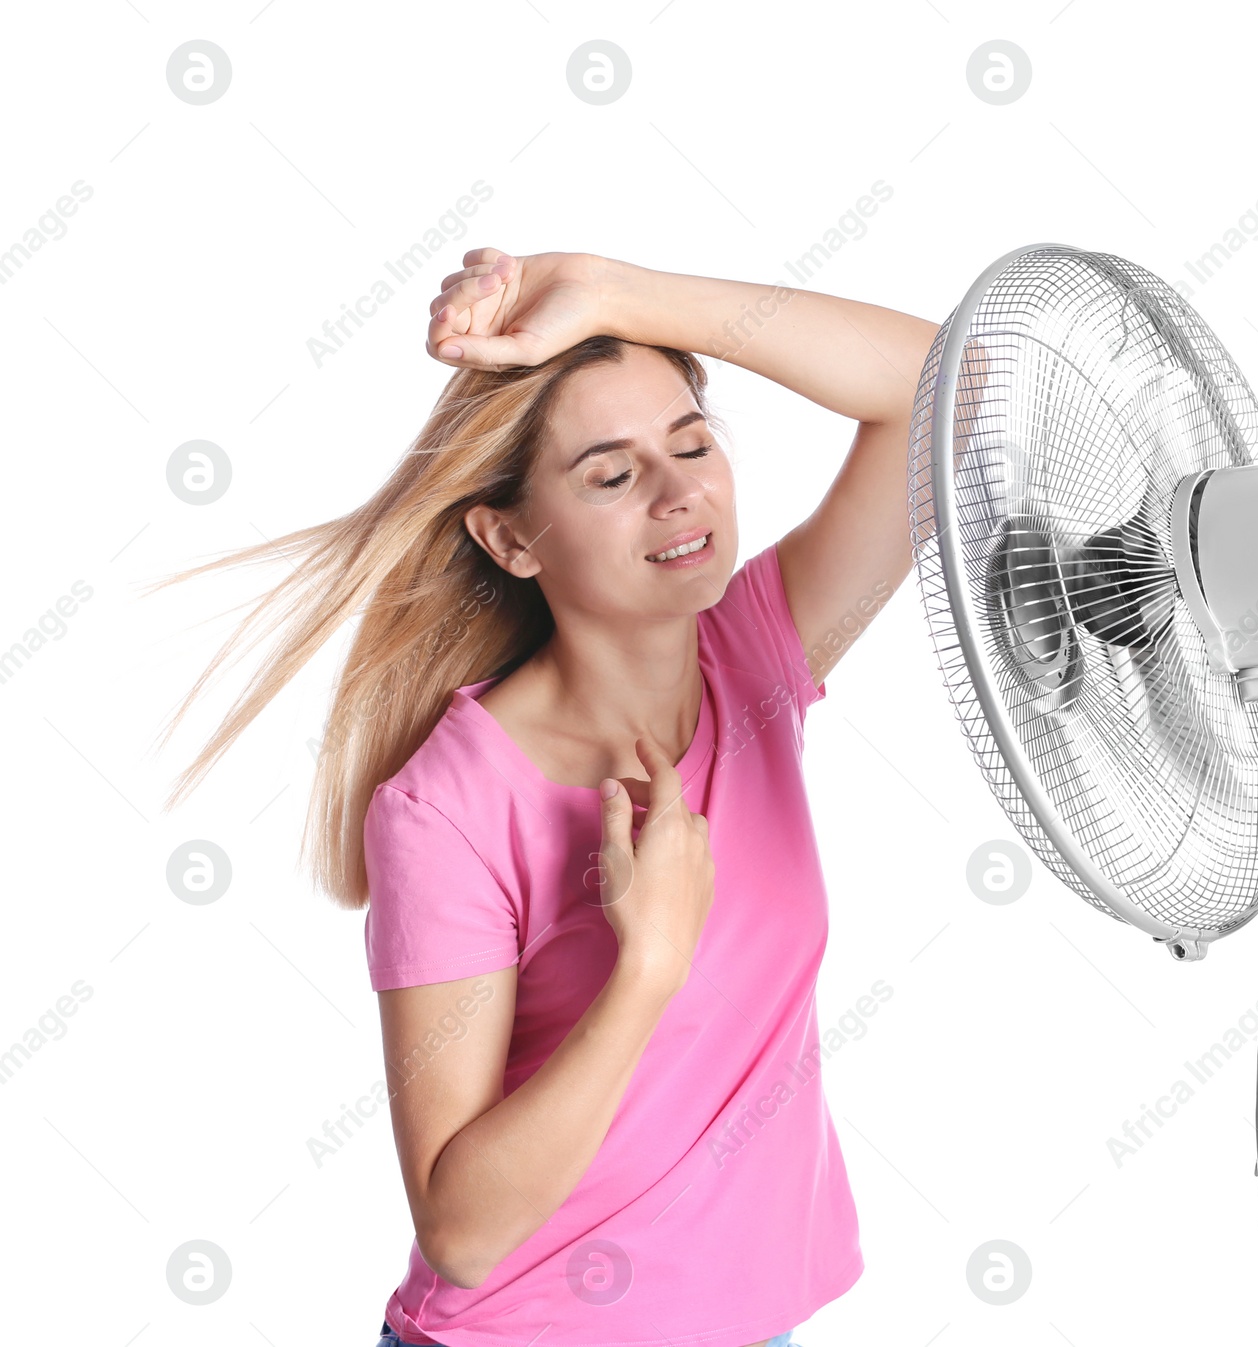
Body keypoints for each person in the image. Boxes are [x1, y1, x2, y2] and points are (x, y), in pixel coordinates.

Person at [153, 249, 936, 1346]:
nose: (680, 495)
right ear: (510, 537)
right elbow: (463, 1234)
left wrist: (609, 290)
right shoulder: (449, 809)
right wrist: (646, 967)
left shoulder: (755, 660)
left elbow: (944, 385)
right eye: (611, 476)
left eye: (693, 442)